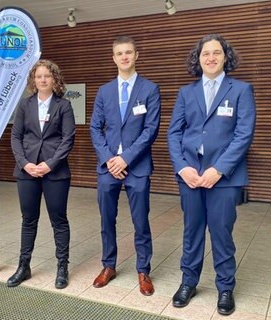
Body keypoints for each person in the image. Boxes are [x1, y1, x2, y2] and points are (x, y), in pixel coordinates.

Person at [167, 34, 256, 315]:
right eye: (206, 53)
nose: (211, 58)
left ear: (226, 57)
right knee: (192, 232)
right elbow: (174, 134)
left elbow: (244, 135)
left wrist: (218, 169)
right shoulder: (186, 93)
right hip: (190, 176)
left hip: (225, 178)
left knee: (221, 232)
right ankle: (188, 282)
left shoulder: (241, 90)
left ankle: (225, 287)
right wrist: (183, 167)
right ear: (198, 59)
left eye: (217, 53)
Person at [89, 35, 161, 296]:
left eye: (128, 52)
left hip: (137, 166)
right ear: (114, 58)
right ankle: (109, 266)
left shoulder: (150, 89)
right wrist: (110, 159)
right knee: (107, 220)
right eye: (119, 53)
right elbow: (95, 128)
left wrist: (126, 158)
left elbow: (151, 130)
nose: (124, 57)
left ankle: (143, 269)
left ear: (136, 55)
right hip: (108, 167)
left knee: (140, 221)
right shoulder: (104, 91)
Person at [8, 59, 76, 289]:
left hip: (55, 172)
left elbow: (68, 139)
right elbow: (15, 137)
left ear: (54, 79)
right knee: (28, 220)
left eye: (47, 75)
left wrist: (50, 164)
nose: (43, 79)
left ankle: (62, 267)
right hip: (27, 171)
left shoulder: (64, 105)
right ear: (33, 80)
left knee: (59, 220)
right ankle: (23, 266)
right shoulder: (25, 106)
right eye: (39, 76)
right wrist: (25, 163)